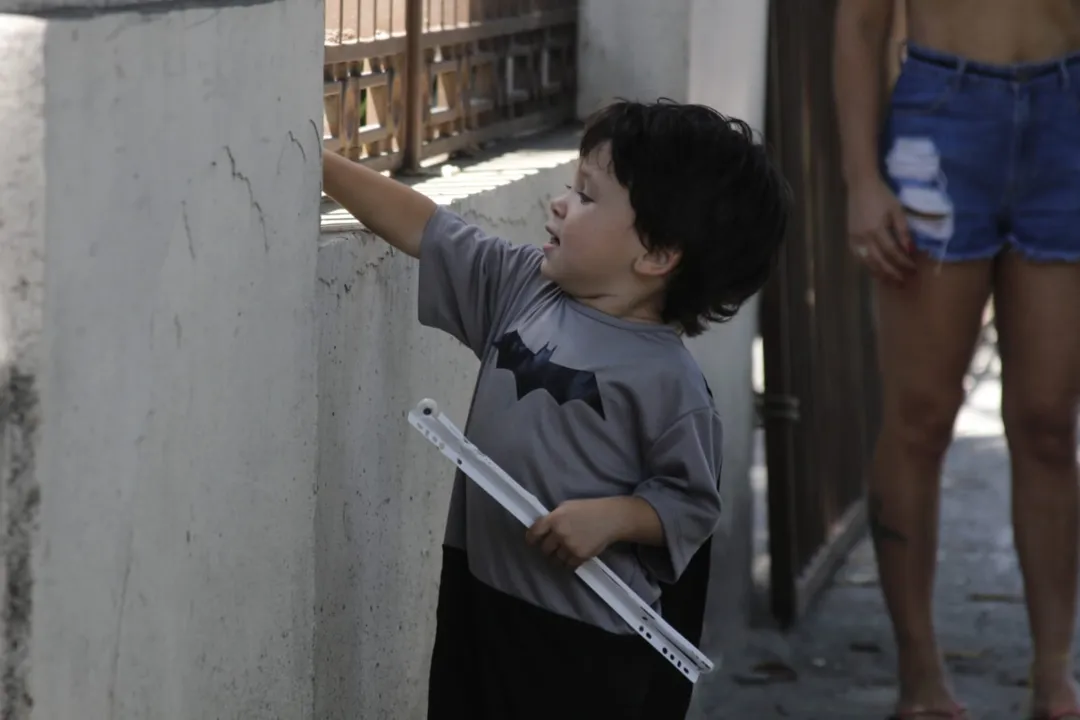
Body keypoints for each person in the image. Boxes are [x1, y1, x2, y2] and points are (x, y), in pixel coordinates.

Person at [321, 99, 791, 719]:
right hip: (476, 597)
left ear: (656, 254)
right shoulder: (524, 289)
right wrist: (318, 161)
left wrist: (615, 518)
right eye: (572, 187)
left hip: (581, 641)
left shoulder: (670, 384)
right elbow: (425, 227)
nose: (559, 203)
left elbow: (691, 503)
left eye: (588, 196)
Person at [833, 1, 1080, 718]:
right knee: (920, 417)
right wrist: (861, 181)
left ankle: (1054, 671)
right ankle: (920, 674)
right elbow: (861, 22)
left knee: (1047, 421)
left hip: (1068, 115)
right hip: (941, 118)